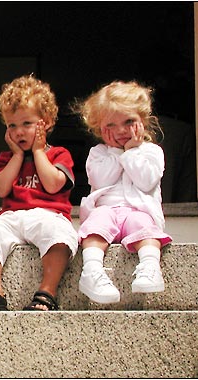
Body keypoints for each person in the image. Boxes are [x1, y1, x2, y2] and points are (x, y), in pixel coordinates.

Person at [0, 75, 78, 311]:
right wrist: (16, 156)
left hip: (48, 214)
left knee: (60, 234)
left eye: (27, 124)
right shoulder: (6, 159)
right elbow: (1, 189)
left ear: (44, 123)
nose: (19, 132)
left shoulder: (58, 154)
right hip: (12, 215)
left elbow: (53, 184)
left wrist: (38, 152)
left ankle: (47, 292)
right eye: (12, 126)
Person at [73, 81, 172, 304]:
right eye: (112, 125)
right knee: (95, 225)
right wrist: (117, 152)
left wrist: (131, 153)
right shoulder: (98, 153)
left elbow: (146, 181)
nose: (121, 130)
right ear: (100, 129)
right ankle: (92, 270)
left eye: (129, 122)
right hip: (106, 210)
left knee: (145, 228)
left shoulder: (151, 152)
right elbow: (101, 180)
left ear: (143, 121)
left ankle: (149, 265)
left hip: (138, 211)